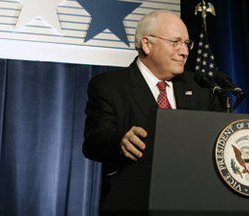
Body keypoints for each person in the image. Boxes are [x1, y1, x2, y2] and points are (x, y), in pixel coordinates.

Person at [82, 10, 221, 198]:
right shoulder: (109, 86)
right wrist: (120, 141)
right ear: (147, 44)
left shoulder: (201, 86)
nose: (185, 52)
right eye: (176, 43)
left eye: (187, 44)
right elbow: (93, 142)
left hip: (196, 195)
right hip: (135, 197)